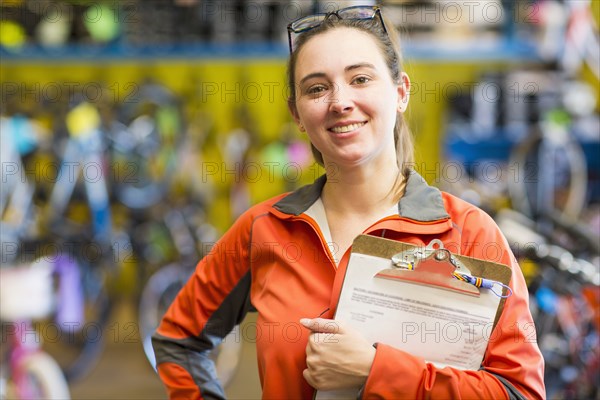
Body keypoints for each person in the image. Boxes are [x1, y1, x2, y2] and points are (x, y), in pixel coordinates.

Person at [152, 5, 545, 399]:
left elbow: (520, 392)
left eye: (360, 78)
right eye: (317, 88)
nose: (340, 101)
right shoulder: (265, 229)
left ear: (401, 93)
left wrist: (378, 371)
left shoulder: (468, 234)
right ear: (298, 116)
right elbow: (178, 338)